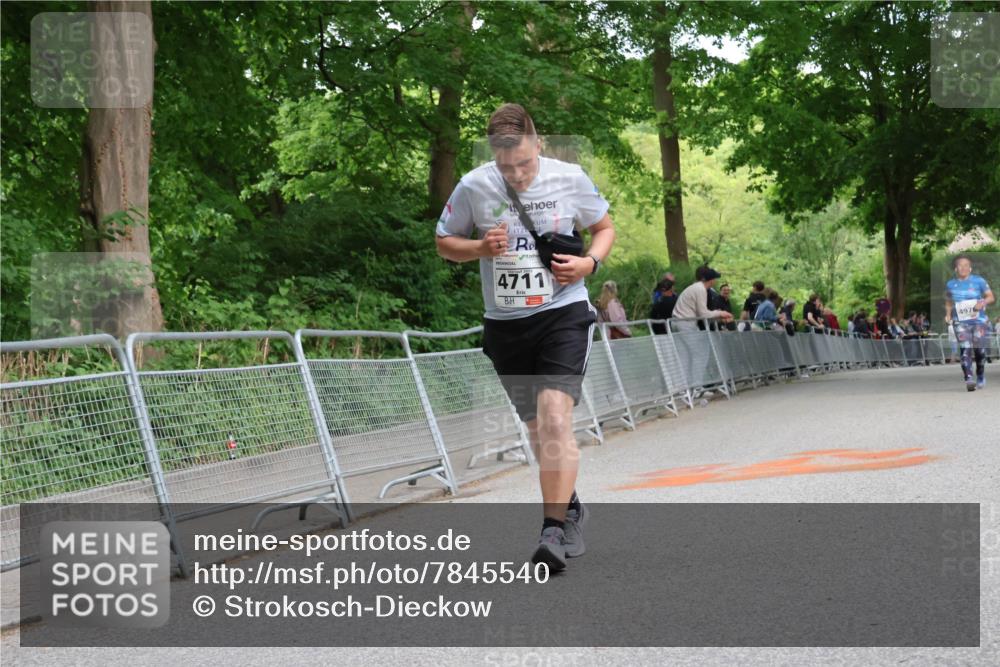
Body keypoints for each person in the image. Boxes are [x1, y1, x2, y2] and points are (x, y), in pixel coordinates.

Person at [435, 103, 616, 569]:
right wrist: (478, 247)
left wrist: (588, 264)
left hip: (563, 313)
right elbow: (443, 242)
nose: (516, 174)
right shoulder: (475, 185)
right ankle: (569, 503)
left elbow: (604, 228)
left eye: (525, 163)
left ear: (539, 144)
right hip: (506, 325)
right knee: (539, 432)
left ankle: (552, 533)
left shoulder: (569, 177)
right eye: (506, 166)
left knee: (555, 418)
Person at [943, 254, 995, 391]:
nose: (963, 268)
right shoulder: (950, 284)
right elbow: (948, 301)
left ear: (970, 268)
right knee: (965, 349)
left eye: (966, 265)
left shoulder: (979, 281)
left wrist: (982, 302)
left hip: (979, 321)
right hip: (960, 321)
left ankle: (980, 375)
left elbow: (990, 297)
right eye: (960, 265)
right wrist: (948, 314)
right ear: (956, 268)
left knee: (980, 351)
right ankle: (969, 379)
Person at [671, 265, 734, 331]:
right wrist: (721, 313)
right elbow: (703, 314)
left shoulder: (697, 287)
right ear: (711, 280)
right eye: (715, 279)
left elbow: (701, 313)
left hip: (679, 322)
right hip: (685, 323)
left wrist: (718, 316)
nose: (715, 281)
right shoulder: (701, 289)